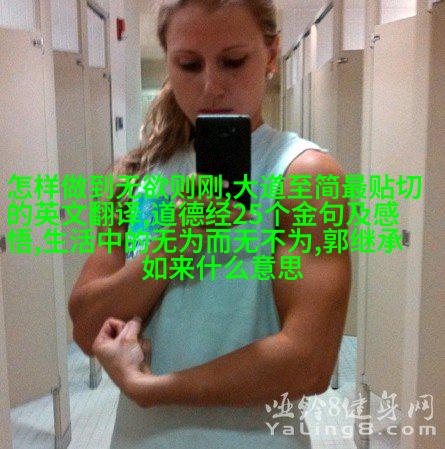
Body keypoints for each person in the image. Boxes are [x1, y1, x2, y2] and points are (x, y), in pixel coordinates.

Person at [68, 1, 352, 448]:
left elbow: (309, 362)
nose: (211, 86)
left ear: (271, 56)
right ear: (169, 63)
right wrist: (174, 244)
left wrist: (155, 389)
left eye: (233, 61)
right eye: (189, 64)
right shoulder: (135, 177)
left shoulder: (303, 175)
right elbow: (87, 328)